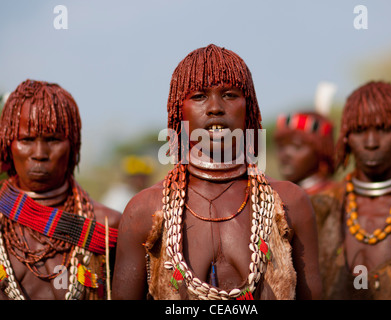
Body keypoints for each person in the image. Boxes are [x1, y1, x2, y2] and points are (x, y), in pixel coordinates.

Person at [112, 44, 321, 300]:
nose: (215, 108)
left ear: (249, 107)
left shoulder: (290, 203)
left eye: (230, 95)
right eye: (199, 96)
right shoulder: (145, 209)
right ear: (180, 111)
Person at [0, 79, 121, 300]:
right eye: (26, 139)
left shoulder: (107, 227)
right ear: (8, 144)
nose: (39, 153)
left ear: (72, 145)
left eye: (53, 139)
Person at [311, 81, 391, 299]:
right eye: (360, 130)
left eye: (383, 129)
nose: (371, 143)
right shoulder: (320, 208)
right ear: (345, 138)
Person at [274, 111, 335, 195]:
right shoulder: (278, 199)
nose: (285, 154)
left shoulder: (337, 198)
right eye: (281, 147)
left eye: (297, 146)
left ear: (320, 152)